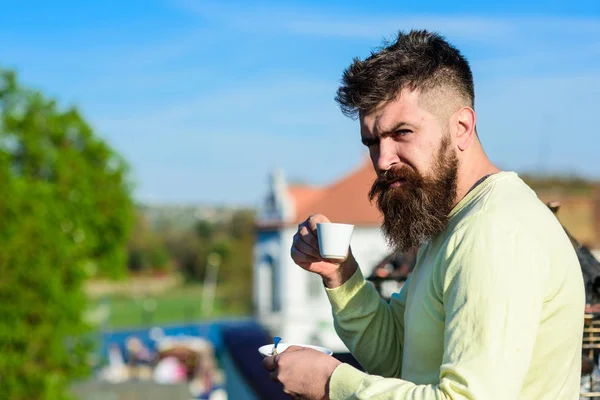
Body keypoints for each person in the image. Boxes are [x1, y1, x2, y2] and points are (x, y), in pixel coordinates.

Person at [262, 29, 585, 399]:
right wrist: (341, 273)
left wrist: (333, 383)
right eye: (372, 142)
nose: (383, 161)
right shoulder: (453, 220)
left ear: (461, 127)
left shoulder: (493, 231)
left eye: (402, 133)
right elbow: (399, 355)